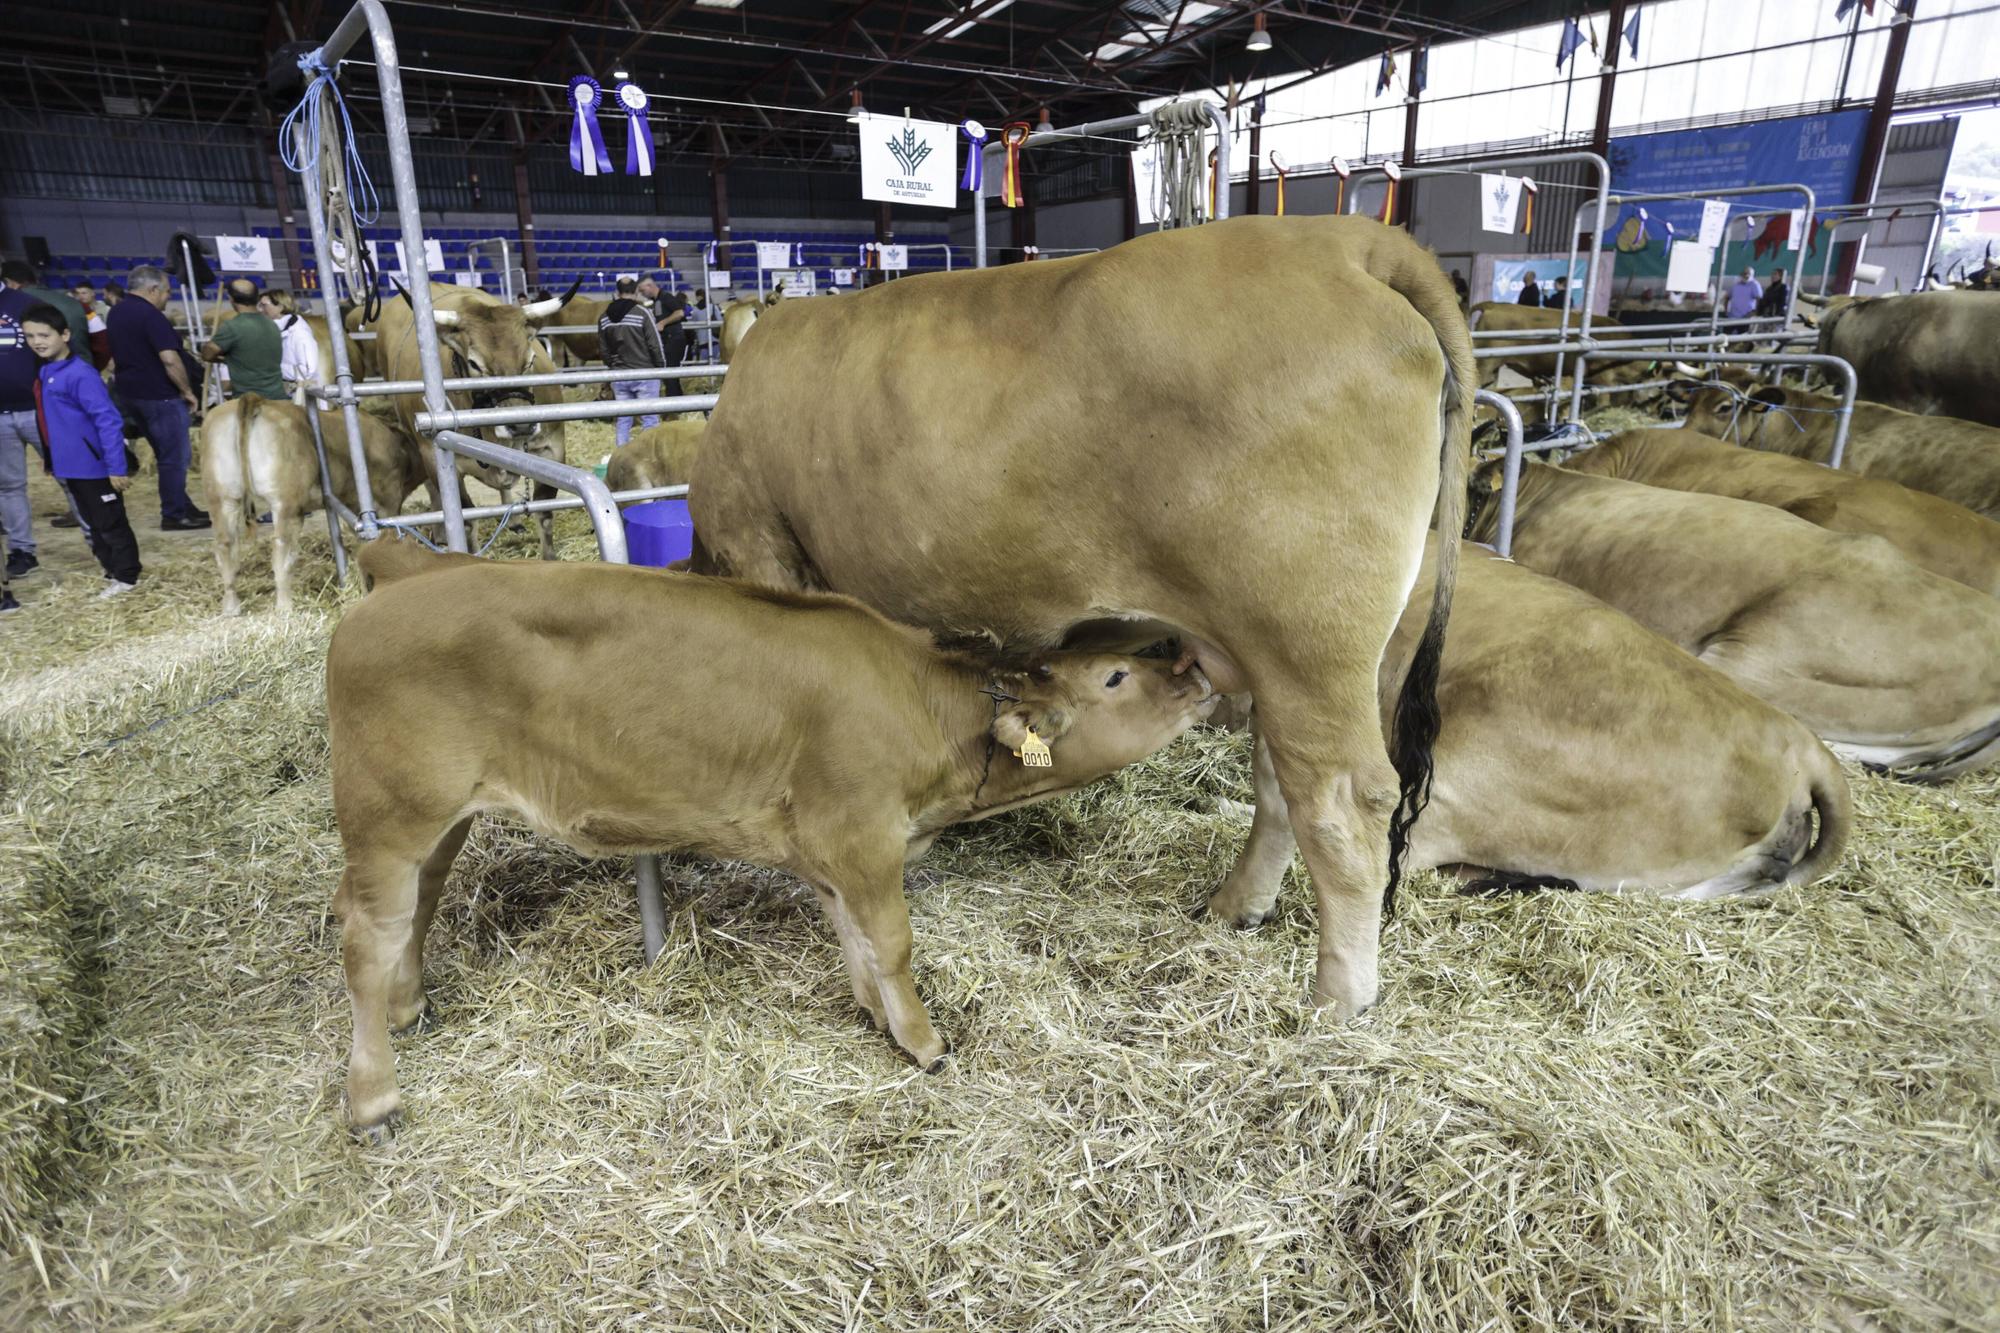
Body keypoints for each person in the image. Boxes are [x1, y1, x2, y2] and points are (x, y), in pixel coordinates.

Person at [22, 305, 141, 596]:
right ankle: (111, 571)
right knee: (93, 525)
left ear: (65, 334)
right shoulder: (47, 370)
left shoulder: (80, 374)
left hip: (95, 466)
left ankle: (127, 577)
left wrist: (115, 467)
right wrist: (53, 460)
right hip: (70, 466)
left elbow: (108, 421)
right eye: (30, 335)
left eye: (44, 335)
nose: (37, 341)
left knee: (111, 523)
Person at [105, 265, 208, 531]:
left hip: (132, 395)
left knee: (165, 454)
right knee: (175, 457)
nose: (167, 298)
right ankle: (174, 513)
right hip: (159, 396)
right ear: (152, 289)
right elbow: (170, 359)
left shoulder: (117, 312)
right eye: (166, 292)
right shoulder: (151, 316)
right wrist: (187, 392)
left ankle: (183, 505)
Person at [0, 269, 46, 579]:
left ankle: (99, 540)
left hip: (37, 409)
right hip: (0, 415)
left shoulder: (25, 304)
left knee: (70, 476)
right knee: (9, 486)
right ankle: (22, 550)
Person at [597, 277, 665, 447]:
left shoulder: (604, 318)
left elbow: (603, 350)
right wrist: (661, 367)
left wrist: (613, 366)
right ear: (635, 292)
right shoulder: (642, 313)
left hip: (619, 375)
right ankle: (649, 458)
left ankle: (621, 457)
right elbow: (654, 344)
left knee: (623, 419)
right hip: (645, 373)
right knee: (649, 419)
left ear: (617, 293)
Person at [200, 278, 286, 403]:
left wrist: (224, 358)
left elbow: (207, 354)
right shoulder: (271, 324)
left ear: (231, 299)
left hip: (248, 400)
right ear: (257, 298)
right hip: (278, 397)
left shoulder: (232, 327)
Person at [255, 288, 321, 402]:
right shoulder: (278, 331)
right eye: (259, 305)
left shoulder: (299, 333)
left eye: (264, 305)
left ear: (280, 307)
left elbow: (308, 370)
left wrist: (272, 368)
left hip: (303, 398)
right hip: (289, 393)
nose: (260, 310)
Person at [637, 274, 687, 366]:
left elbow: (680, 313)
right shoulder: (656, 300)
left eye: (642, 290)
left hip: (673, 340)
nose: (642, 294)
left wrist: (663, 323)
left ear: (650, 286)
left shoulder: (665, 297)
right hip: (668, 340)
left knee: (671, 373)